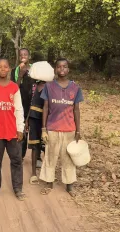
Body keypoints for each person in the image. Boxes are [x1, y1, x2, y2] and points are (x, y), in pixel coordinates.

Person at [0, 58, 26, 201]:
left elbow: (19, 109)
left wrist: (20, 128)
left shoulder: (14, 87)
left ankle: (18, 188)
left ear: (9, 69)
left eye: (5, 67)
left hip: (12, 130)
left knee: (16, 159)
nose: (2, 69)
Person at [39, 58, 83, 197]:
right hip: (52, 128)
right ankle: (48, 183)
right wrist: (44, 129)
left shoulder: (75, 88)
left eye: (64, 66)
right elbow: (45, 107)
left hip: (69, 129)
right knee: (50, 156)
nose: (62, 69)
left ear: (68, 69)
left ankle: (69, 186)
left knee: (68, 158)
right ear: (55, 70)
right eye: (59, 67)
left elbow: (76, 110)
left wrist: (78, 130)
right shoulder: (49, 86)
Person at [10, 48, 36, 160]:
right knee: (21, 127)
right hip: (20, 104)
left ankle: (37, 156)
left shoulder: (34, 70)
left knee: (33, 128)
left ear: (29, 56)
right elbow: (13, 88)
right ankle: (20, 154)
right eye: (21, 54)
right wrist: (20, 74)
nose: (23, 56)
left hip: (33, 103)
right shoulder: (14, 70)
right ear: (18, 56)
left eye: (26, 54)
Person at [25, 80, 46, 185]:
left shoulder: (50, 87)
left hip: (45, 120)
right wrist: (27, 120)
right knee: (34, 146)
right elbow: (30, 103)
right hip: (33, 118)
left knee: (46, 146)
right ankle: (33, 173)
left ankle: (46, 173)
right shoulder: (34, 86)